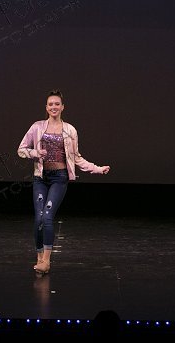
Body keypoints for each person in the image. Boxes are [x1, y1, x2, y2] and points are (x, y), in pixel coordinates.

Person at [17, 90, 110, 274]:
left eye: (57, 104)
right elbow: (21, 150)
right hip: (41, 178)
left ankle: (46, 261)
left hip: (59, 178)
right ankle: (39, 257)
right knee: (38, 218)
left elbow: (76, 158)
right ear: (46, 107)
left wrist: (97, 168)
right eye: (50, 104)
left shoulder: (70, 130)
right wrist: (35, 153)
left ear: (62, 107)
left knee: (47, 216)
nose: (54, 107)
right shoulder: (37, 127)